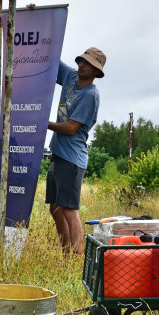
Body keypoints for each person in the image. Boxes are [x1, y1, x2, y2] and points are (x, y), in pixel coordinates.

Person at [46, 47, 105, 255]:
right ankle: (66, 251)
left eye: (88, 64)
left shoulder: (90, 95)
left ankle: (77, 258)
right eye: (81, 61)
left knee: (69, 209)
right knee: (55, 207)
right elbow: (50, 60)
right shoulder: (71, 76)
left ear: (97, 71)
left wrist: (43, 122)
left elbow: (71, 128)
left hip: (72, 159)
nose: (82, 65)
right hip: (58, 153)